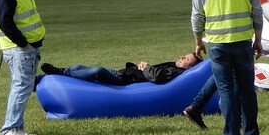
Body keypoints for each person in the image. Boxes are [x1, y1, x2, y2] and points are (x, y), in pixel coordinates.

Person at [191, 0, 263, 135]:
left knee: (227, 90)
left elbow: (197, 16)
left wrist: (198, 41)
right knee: (247, 90)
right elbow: (257, 12)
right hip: (242, 42)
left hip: (217, 44)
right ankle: (251, 133)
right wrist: (258, 39)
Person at [0, 0, 45, 135]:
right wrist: (23, 43)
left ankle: (17, 127)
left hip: (26, 48)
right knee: (21, 85)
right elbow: (4, 21)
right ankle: (9, 129)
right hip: (19, 49)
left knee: (23, 86)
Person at [40, 53, 202, 85]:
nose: (181, 58)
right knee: (78, 67)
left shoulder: (177, 73)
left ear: (190, 67)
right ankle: (43, 77)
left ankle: (60, 72)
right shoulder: (173, 66)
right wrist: (143, 68)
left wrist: (146, 68)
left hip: (127, 81)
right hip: (126, 74)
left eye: (186, 59)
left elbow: (157, 77)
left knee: (98, 71)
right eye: (183, 56)